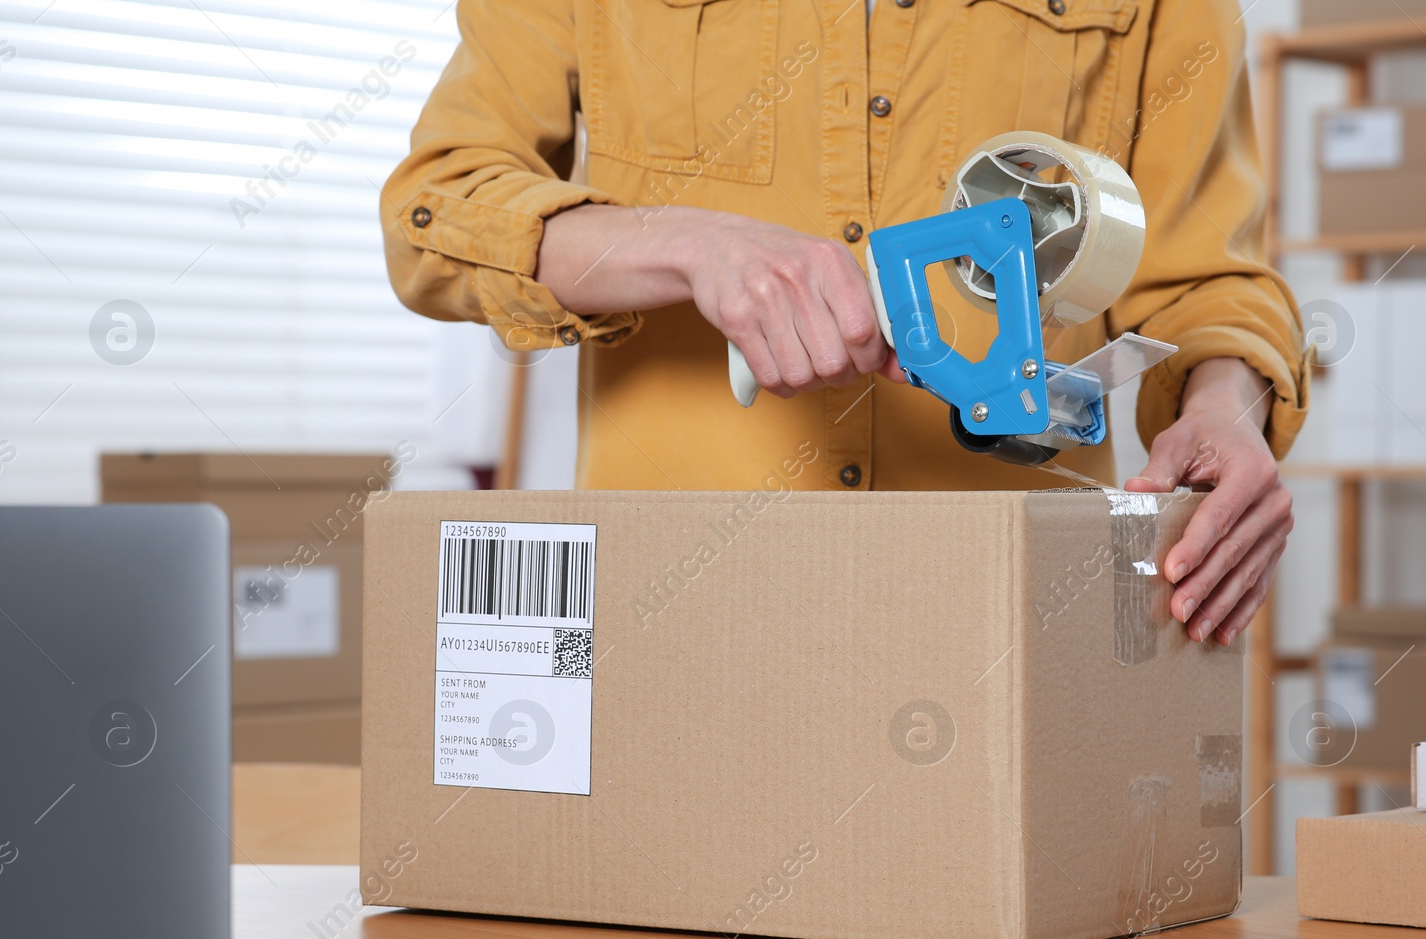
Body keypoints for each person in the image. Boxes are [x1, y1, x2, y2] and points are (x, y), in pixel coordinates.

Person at [381, 0, 1309, 647]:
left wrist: (1227, 407)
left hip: (1006, 617)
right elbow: (438, 214)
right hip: (674, 604)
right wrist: (690, 244)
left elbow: (1207, 281)